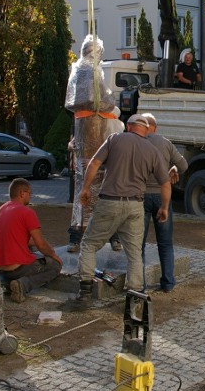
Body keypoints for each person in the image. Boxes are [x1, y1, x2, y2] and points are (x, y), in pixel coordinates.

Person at [72, 114, 171, 306]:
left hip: (109, 201)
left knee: (90, 244)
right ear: (146, 129)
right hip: (135, 206)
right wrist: (164, 207)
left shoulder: (115, 139)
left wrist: (85, 188)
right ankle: (134, 298)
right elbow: (165, 183)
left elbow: (94, 163)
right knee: (134, 253)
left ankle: (84, 292)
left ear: (129, 126)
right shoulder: (152, 150)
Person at [64, 35, 124, 253]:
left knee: (84, 184)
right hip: (93, 130)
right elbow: (99, 100)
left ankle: (77, 236)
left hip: (83, 132)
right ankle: (108, 237)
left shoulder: (77, 70)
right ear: (95, 52)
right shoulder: (91, 71)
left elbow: (73, 101)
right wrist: (111, 105)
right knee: (98, 186)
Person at [0, 178, 63, 303]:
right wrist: (53, 254)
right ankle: (22, 285)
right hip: (16, 269)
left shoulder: (2, 209)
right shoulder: (27, 212)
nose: (31, 196)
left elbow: (21, 239)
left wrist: (42, 246)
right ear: (22, 193)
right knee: (55, 267)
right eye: (30, 193)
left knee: (31, 249)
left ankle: (5, 284)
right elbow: (40, 244)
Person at [141, 113, 188, 292]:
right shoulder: (166, 143)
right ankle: (168, 283)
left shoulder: (137, 141)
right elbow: (183, 166)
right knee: (165, 243)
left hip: (142, 196)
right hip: (163, 196)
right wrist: (173, 169)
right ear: (156, 127)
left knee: (139, 244)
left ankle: (140, 285)